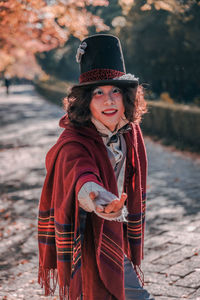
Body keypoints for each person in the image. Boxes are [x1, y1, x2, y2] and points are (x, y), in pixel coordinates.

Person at [38, 34, 154, 300]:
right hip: (84, 229)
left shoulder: (129, 130)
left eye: (115, 91)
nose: (109, 101)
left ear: (127, 97)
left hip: (114, 225)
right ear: (85, 101)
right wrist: (101, 202)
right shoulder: (73, 141)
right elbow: (81, 174)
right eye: (98, 93)